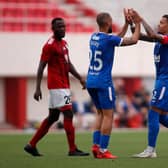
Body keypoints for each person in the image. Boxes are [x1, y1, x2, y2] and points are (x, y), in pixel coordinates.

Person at [24, 17, 89, 157]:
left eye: (64, 26)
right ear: (53, 29)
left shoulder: (64, 44)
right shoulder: (49, 45)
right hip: (57, 85)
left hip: (64, 84)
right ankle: (72, 149)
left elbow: (68, 64)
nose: (62, 29)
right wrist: (37, 88)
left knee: (53, 117)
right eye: (59, 27)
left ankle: (31, 145)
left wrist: (80, 79)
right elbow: (41, 66)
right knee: (68, 114)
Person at [86, 9, 141, 159]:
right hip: (103, 82)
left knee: (100, 113)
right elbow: (134, 40)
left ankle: (96, 146)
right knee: (109, 116)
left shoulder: (94, 37)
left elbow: (116, 39)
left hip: (90, 80)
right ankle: (103, 150)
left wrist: (125, 24)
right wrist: (138, 23)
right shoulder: (109, 40)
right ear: (109, 23)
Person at [132, 14, 168, 158]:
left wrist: (141, 19)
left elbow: (152, 33)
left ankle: (150, 150)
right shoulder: (158, 39)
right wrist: (131, 24)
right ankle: (150, 149)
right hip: (161, 80)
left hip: (165, 81)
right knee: (161, 117)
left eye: (162, 23)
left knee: (153, 112)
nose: (159, 25)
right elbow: (138, 36)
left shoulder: (165, 38)